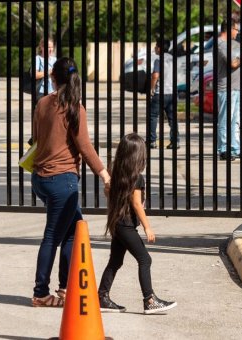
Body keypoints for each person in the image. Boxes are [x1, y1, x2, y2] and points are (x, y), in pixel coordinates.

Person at [30, 57, 111, 307]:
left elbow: (35, 138)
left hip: (40, 178)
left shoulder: (43, 103)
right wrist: (105, 174)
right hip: (62, 182)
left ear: (52, 77)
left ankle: (65, 287)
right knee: (54, 236)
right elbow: (85, 147)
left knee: (73, 231)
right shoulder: (75, 108)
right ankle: (41, 293)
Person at [98, 132, 177, 314]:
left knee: (115, 262)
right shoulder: (137, 178)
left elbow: (107, 192)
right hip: (126, 226)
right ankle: (149, 300)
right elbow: (136, 203)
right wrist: (147, 226)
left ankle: (102, 296)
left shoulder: (116, 173)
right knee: (145, 259)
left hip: (118, 224)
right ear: (138, 156)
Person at [215, 14, 242, 161]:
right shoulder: (221, 44)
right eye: (236, 29)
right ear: (229, 29)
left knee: (234, 120)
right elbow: (233, 63)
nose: (237, 32)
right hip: (226, 88)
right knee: (225, 119)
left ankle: (234, 148)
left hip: (235, 87)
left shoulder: (230, 45)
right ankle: (224, 149)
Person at [148, 38, 179, 150]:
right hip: (173, 92)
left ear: (159, 48)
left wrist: (151, 88)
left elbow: (155, 76)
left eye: (156, 46)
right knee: (172, 119)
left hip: (161, 92)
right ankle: (175, 141)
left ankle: (152, 141)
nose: (155, 48)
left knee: (153, 116)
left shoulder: (158, 60)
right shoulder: (173, 59)